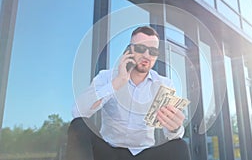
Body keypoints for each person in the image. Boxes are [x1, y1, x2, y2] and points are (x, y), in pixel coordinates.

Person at [66, 26, 191, 160]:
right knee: (79, 126)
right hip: (109, 152)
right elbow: (78, 112)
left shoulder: (164, 85)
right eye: (141, 48)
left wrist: (175, 128)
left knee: (180, 146)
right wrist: (117, 82)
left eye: (153, 51)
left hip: (145, 154)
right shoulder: (106, 77)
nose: (147, 56)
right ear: (129, 50)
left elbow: (173, 136)